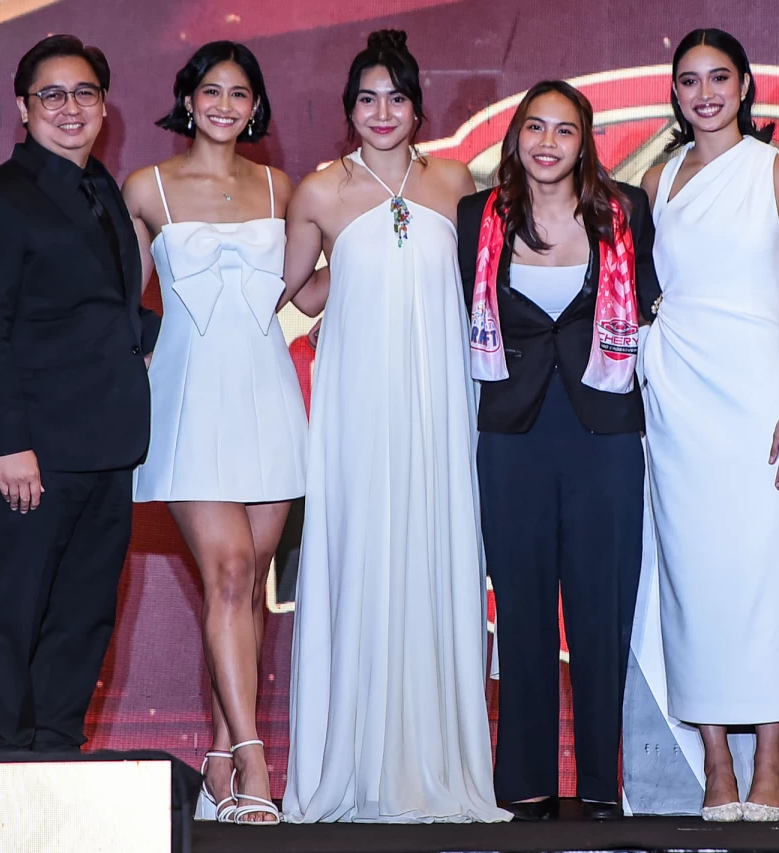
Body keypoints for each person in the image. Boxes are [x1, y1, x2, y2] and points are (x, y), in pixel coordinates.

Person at [279, 29, 509, 824]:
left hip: (441, 406)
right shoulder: (317, 192)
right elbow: (290, 303)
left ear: (418, 108)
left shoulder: (456, 182)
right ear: (349, 111)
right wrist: (342, 271)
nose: (383, 112)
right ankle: (355, 766)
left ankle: (437, 766)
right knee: (363, 553)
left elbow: (488, 294)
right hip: (357, 408)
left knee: (435, 551)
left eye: (397, 98)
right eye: (368, 99)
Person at [457, 81, 660, 822]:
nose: (547, 142)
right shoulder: (476, 216)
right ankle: (524, 783)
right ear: (514, 138)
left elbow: (662, 306)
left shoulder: (625, 210)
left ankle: (605, 784)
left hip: (604, 432)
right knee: (521, 608)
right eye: (534, 128)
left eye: (564, 131)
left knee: (603, 608)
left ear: (585, 141)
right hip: (511, 435)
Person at [0, 35, 160, 753]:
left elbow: (102, 309)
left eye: (84, 94)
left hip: (106, 444)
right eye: (52, 95)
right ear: (23, 107)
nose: (70, 109)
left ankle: (57, 748)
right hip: (31, 450)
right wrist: (10, 444)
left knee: (84, 612)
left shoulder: (103, 188)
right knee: (17, 604)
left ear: (104, 105)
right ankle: (5, 751)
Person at [639, 28, 779, 823]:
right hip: (677, 393)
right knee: (691, 580)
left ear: (746, 84)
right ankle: (717, 758)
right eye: (690, 80)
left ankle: (771, 758)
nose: (705, 92)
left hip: (760, 394)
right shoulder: (656, 179)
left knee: (760, 577)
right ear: (675, 93)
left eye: (720, 78)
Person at [122, 41, 305, 825]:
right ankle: (256, 761)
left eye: (240, 93)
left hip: (267, 397)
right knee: (229, 573)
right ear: (187, 99)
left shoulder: (280, 186)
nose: (225, 104)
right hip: (190, 402)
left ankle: (219, 759)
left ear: (255, 105)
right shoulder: (145, 187)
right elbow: (121, 305)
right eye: (211, 90)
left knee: (247, 588)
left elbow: (307, 281)